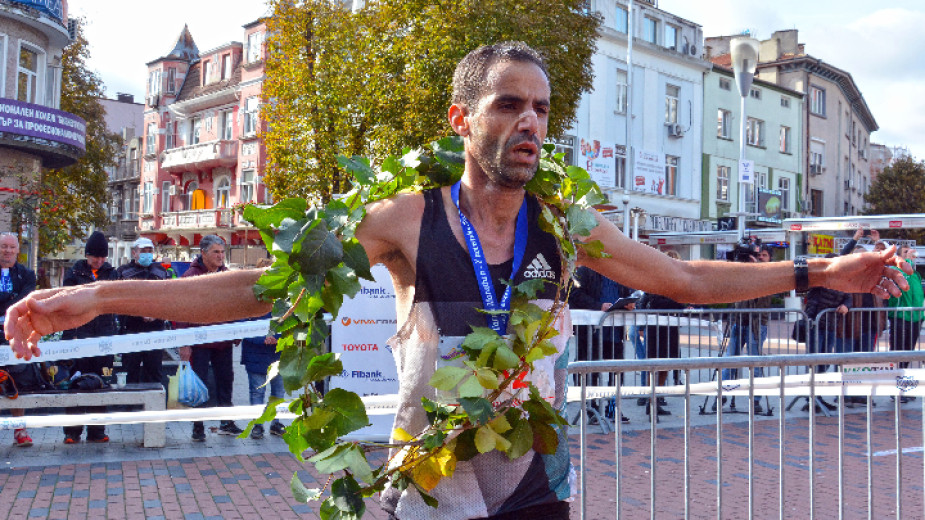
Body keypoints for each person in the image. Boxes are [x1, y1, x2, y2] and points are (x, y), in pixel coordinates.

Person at [1, 42, 914, 520]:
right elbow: (262, 289)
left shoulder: (565, 221)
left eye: (542, 108)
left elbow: (679, 276)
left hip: (535, 489)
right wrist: (100, 295)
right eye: (508, 104)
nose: (530, 123)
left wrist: (818, 269)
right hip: (427, 494)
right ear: (461, 118)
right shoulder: (404, 218)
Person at [177, 234, 243, 441]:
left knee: (226, 382)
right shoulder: (190, 277)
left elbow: (236, 305)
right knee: (200, 384)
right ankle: (198, 427)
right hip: (199, 343)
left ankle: (227, 422)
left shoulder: (227, 276)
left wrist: (237, 332)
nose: (220, 256)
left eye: (222, 252)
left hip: (223, 341)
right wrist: (184, 343)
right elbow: (180, 311)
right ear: (203, 253)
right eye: (216, 252)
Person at [60, 230, 117, 444]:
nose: (99, 261)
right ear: (87, 255)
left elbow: (113, 301)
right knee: (76, 382)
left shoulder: (112, 274)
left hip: (104, 335)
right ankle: (72, 431)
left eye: (102, 257)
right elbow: (68, 298)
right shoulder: (74, 272)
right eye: (95, 257)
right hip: (78, 334)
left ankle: (97, 430)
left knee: (101, 382)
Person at [568, 266, 635, 423]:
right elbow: (574, 295)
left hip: (614, 332)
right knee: (591, 371)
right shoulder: (585, 271)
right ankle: (592, 409)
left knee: (617, 371)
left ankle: (613, 409)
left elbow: (628, 293)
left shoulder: (618, 271)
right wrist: (598, 306)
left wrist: (629, 303)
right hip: (591, 332)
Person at [719, 244, 773, 413]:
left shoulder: (771, 274)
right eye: (759, 255)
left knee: (755, 363)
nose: (761, 258)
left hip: (757, 324)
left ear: (770, 258)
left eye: (764, 255)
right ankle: (723, 393)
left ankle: (756, 400)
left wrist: (756, 269)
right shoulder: (742, 272)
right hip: (738, 321)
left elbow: (763, 297)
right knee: (730, 360)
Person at [115, 237, 170, 386]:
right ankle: (130, 400)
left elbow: (168, 299)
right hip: (131, 330)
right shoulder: (123, 273)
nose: (147, 254)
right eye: (143, 251)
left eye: (149, 251)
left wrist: (156, 314)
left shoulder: (161, 272)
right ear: (134, 253)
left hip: (155, 330)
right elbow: (119, 301)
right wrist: (139, 313)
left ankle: (153, 399)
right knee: (129, 373)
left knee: (154, 373)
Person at [0, 233, 37, 447]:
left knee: (18, 382)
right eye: (3, 246)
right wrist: (10, 298)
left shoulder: (27, 274)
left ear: (17, 250)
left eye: (11, 247)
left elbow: (24, 301)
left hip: (15, 335)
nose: (7, 250)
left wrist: (8, 301)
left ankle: (20, 430)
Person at [638, 250, 686, 416]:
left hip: (670, 328)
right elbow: (652, 301)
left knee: (667, 364)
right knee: (654, 366)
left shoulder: (677, 281)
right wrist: (679, 303)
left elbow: (680, 303)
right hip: (655, 328)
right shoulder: (655, 279)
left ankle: (656, 400)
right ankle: (650, 401)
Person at [241, 258, 285, 439]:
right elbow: (241, 326)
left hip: (278, 353)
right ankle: (257, 425)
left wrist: (278, 338)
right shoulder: (248, 299)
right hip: (255, 354)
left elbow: (292, 322)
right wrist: (262, 339)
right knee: (257, 392)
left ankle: (276, 423)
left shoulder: (284, 298)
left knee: (278, 392)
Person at [887, 245, 923, 377]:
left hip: (916, 317)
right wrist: (907, 260)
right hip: (900, 317)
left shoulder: (916, 275)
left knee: (909, 351)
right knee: (898, 350)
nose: (910, 253)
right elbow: (901, 275)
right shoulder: (895, 271)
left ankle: (901, 379)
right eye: (906, 252)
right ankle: (893, 379)